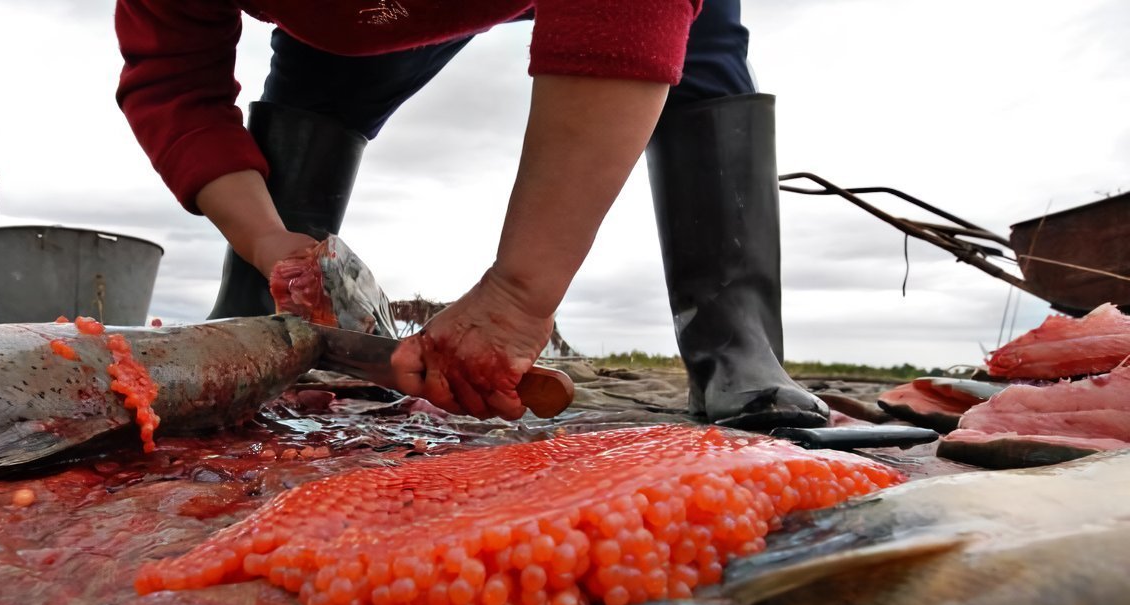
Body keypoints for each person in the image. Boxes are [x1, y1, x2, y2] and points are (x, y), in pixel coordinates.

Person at [115, 0, 828, 430]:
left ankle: (736, 345)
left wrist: (522, 290)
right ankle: (261, 327)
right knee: (310, 106)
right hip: (343, 29)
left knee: (699, 59)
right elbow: (175, 83)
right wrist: (270, 243)